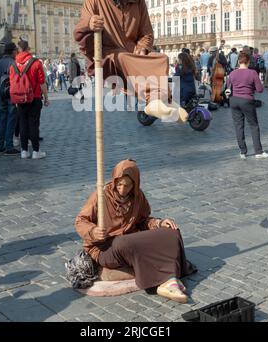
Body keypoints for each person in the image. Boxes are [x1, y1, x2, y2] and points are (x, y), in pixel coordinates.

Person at [74, 0, 188, 123]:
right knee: (122, 56)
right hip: (105, 59)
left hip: (131, 54)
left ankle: (160, 101)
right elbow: (80, 26)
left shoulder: (138, 0)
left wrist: (142, 47)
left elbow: (146, 32)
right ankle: (158, 101)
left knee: (160, 58)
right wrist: (89, 23)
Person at [75, 159, 196, 303]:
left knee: (171, 233)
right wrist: (94, 231)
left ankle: (168, 280)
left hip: (130, 241)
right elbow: (80, 221)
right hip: (104, 248)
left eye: (127, 185)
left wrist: (159, 223)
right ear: (114, 181)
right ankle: (162, 278)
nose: (122, 189)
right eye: (119, 184)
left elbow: (143, 221)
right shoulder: (101, 195)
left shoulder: (138, 197)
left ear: (135, 184)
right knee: (123, 242)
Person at [227, 52, 268, 160]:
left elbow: (228, 87)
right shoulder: (252, 73)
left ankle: (243, 152)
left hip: (234, 101)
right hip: (247, 100)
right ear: (248, 62)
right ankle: (258, 152)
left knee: (238, 126)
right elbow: (260, 89)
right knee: (253, 125)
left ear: (238, 61)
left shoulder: (232, 73)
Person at [11, 40, 49, 159]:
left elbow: (12, 83)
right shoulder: (36, 63)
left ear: (19, 49)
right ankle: (36, 151)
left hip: (20, 98)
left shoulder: (13, 64)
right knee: (33, 124)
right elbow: (42, 83)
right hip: (35, 97)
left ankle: (24, 151)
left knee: (22, 123)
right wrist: (46, 97)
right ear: (28, 49)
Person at [0, 42, 19, 155]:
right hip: (10, 94)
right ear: (13, 51)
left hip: (0, 94)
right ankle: (9, 146)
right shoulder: (13, 63)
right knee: (11, 120)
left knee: (2, 119)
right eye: (16, 51)